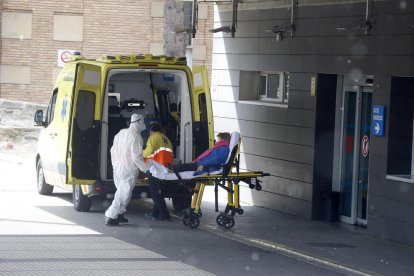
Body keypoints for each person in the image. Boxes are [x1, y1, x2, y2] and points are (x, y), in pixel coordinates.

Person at [146, 132, 231, 220]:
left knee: (183, 167)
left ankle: (170, 170)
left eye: (219, 139)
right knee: (184, 166)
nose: (217, 141)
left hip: (202, 166)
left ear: (223, 139)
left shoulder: (223, 149)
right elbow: (213, 158)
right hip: (201, 165)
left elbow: (214, 159)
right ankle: (170, 169)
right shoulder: (221, 148)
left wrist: (204, 165)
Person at [105, 113, 148, 226]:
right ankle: (111, 215)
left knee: (123, 192)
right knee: (123, 194)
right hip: (128, 169)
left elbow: (112, 150)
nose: (144, 124)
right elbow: (136, 157)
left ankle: (120, 214)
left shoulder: (121, 133)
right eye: (143, 122)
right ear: (138, 122)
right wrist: (146, 169)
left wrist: (115, 164)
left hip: (117, 167)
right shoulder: (137, 137)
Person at [143, 123, 174, 221]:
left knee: (156, 194)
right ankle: (154, 214)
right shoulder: (167, 139)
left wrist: (140, 153)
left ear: (152, 130)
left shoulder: (153, 137)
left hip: (155, 169)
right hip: (165, 168)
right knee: (158, 193)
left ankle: (165, 215)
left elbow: (149, 151)